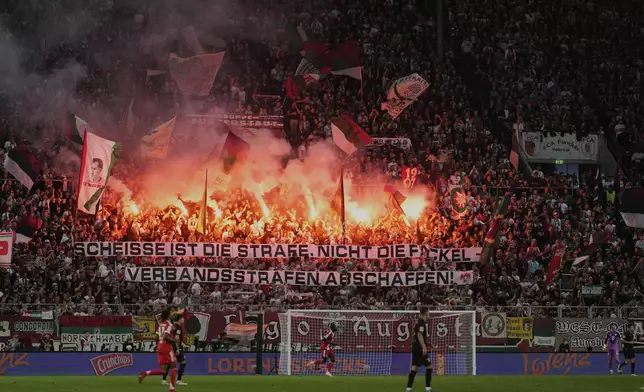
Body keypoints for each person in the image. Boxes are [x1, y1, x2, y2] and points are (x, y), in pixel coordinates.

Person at [139, 308, 178, 391]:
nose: (172, 314)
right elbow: (165, 336)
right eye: (171, 313)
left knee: (163, 370)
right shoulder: (169, 324)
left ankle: (146, 373)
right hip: (167, 347)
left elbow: (156, 337)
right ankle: (172, 388)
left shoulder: (160, 325)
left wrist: (159, 344)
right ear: (168, 315)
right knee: (174, 367)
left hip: (160, 347)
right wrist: (175, 340)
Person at [406, 306, 432, 392]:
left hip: (415, 347)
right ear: (425, 312)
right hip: (419, 348)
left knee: (415, 367)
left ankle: (408, 388)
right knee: (429, 366)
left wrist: (427, 343)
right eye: (428, 311)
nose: (429, 313)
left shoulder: (418, 322)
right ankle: (428, 388)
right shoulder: (421, 322)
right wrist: (424, 346)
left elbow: (414, 332)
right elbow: (419, 334)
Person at [163, 311, 188, 386]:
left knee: (169, 364)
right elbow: (176, 339)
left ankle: (163, 380)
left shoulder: (173, 326)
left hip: (171, 347)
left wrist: (182, 343)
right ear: (179, 319)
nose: (183, 319)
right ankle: (179, 380)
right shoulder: (178, 328)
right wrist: (177, 349)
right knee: (183, 363)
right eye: (182, 318)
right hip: (176, 348)